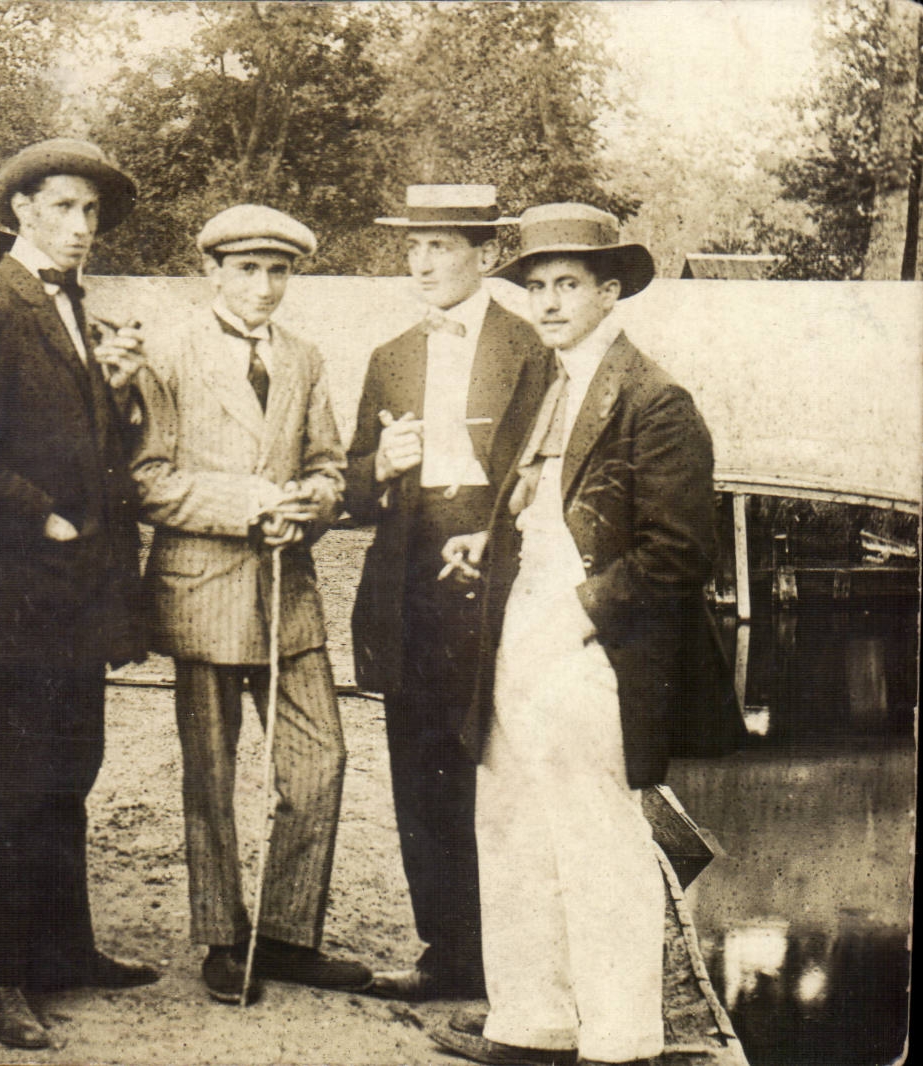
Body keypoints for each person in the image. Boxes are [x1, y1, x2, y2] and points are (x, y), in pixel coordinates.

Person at [430, 202, 740, 1066]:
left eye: (569, 284)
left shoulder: (654, 400)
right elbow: (536, 498)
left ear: (611, 290)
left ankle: (619, 1040)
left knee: (597, 839)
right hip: (515, 626)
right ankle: (532, 1021)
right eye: (536, 286)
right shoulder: (545, 382)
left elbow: (679, 555)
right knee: (511, 822)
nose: (550, 301)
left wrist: (576, 613)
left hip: (592, 647)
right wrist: (489, 536)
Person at [0, 138, 160, 1051]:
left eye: (91, 213)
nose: (81, 228)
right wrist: (44, 517)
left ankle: (62, 951)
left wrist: (123, 392)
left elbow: (89, 439)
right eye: (63, 208)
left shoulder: (70, 308)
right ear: (20, 211)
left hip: (82, 593)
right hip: (27, 588)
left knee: (70, 769)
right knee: (13, 781)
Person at [130, 204, 372, 1006]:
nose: (264, 287)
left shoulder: (302, 357)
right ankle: (222, 939)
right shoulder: (166, 351)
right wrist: (246, 505)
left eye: (278, 272)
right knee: (212, 773)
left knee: (320, 762)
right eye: (246, 270)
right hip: (202, 587)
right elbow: (148, 478)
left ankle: (286, 934)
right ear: (212, 271)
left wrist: (314, 499)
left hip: (287, 595)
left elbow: (329, 463)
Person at [343, 185, 551, 1002]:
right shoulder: (389, 355)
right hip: (409, 575)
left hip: (496, 569)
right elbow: (352, 492)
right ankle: (446, 953)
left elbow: (544, 481)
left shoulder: (530, 349)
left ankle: (512, 956)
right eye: (413, 247)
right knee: (418, 764)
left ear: (485, 256)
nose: (422, 262)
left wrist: (494, 544)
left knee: (496, 762)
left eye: (441, 246)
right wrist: (381, 466)